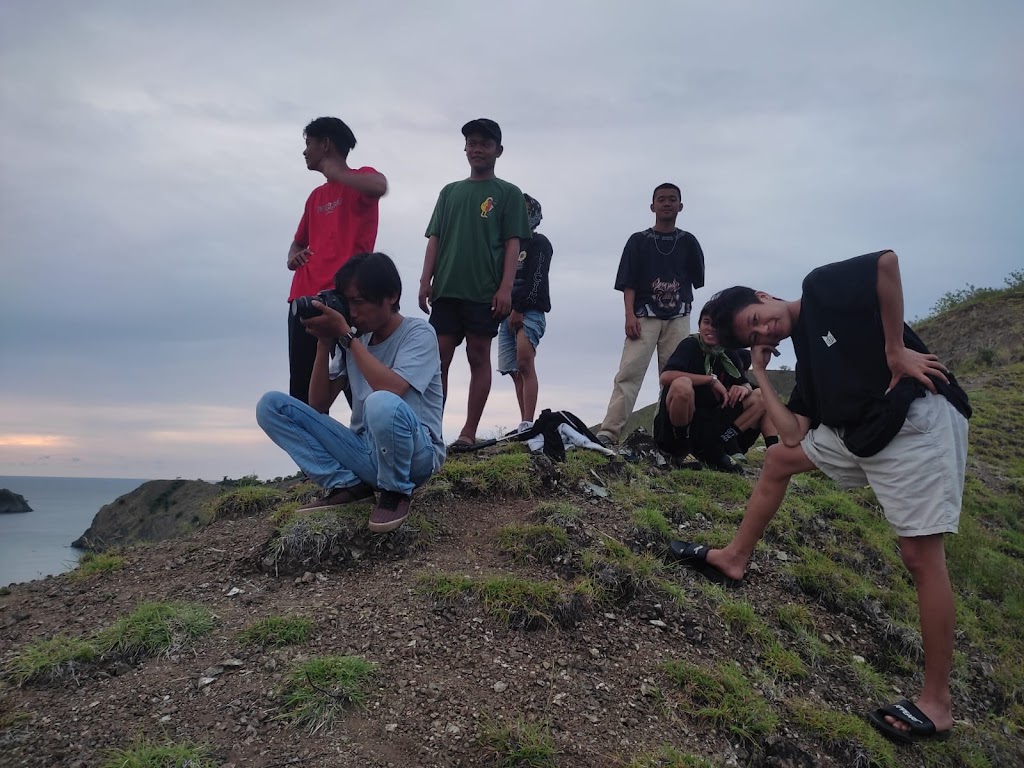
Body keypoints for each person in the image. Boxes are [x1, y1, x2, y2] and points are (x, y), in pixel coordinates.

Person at [671, 251, 971, 744]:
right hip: (863, 431)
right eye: (753, 336)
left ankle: (936, 703)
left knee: (920, 555)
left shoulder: (819, 290)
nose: (764, 331)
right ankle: (733, 558)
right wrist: (760, 374)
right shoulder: (807, 364)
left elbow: (886, 265)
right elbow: (791, 436)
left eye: (755, 320)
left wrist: (895, 349)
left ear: (763, 296)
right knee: (777, 461)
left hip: (916, 418)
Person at [258, 252, 445, 533]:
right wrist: (324, 342)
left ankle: (396, 492)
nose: (353, 312)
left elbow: (393, 388)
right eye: (349, 303)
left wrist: (347, 336)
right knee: (271, 405)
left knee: (380, 402)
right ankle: (347, 485)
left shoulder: (419, 333)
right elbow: (318, 404)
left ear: (391, 296)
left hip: (415, 457)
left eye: (359, 301)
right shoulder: (357, 339)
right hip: (365, 453)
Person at [419, 119, 532, 450]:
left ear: (499, 150)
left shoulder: (508, 193)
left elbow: (514, 244)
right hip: (446, 289)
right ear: (464, 149)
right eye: (471, 143)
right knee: (437, 358)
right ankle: (429, 433)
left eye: (485, 143)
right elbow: (434, 238)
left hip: (484, 291)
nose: (477, 148)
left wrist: (506, 288)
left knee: (478, 354)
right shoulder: (449, 192)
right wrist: (426, 280)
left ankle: (468, 432)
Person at [286, 117, 387, 405]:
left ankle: (371, 442)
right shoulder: (315, 196)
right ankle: (310, 450)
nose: (304, 152)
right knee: (303, 389)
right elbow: (297, 242)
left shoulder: (361, 178)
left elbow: (379, 185)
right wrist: (294, 257)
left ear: (325, 144)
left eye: (308, 144)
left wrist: (338, 174)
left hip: (346, 298)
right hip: (303, 297)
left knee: (358, 382)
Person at [596, 183, 705, 447]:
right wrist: (629, 316)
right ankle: (609, 432)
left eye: (672, 199)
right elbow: (628, 282)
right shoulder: (638, 241)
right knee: (629, 373)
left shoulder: (689, 242)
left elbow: (694, 280)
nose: (667, 203)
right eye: (661, 199)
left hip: (678, 317)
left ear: (681, 206)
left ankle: (666, 437)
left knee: (676, 378)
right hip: (643, 315)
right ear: (652, 206)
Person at [654, 302, 777, 472]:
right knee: (682, 384)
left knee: (761, 395)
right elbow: (665, 377)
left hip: (712, 426)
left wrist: (744, 388)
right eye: (706, 322)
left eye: (717, 325)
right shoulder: (690, 345)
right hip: (685, 423)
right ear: (699, 324)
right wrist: (710, 380)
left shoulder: (728, 351)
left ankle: (719, 445)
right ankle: (682, 449)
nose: (711, 328)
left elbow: (745, 383)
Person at [497, 193, 553, 431]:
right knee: (514, 370)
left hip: (530, 311)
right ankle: (523, 422)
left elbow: (537, 278)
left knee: (525, 362)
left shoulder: (539, 243)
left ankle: (528, 421)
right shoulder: (505, 246)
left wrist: (519, 308)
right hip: (505, 314)